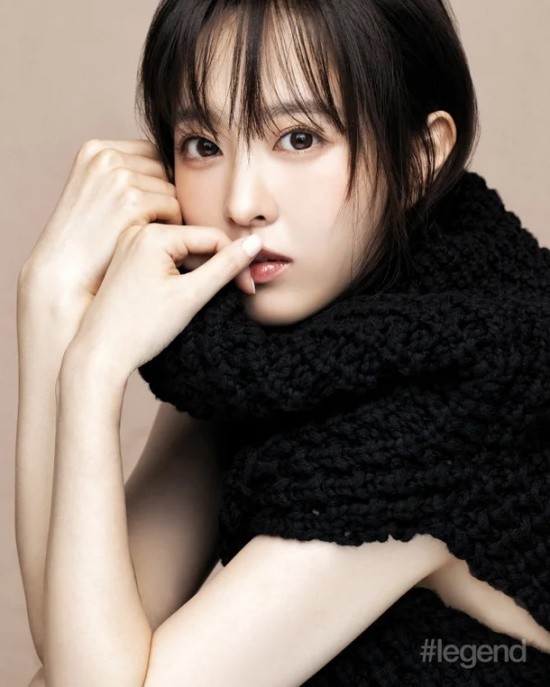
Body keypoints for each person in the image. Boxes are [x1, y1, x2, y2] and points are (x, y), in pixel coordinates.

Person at [16, 0, 550, 685]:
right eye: (203, 145)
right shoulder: (260, 360)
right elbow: (74, 646)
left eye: (299, 138)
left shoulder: (449, 396)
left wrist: (92, 372)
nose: (242, 202)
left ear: (420, 158)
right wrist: (50, 298)